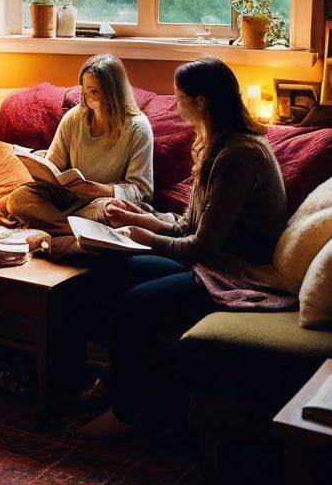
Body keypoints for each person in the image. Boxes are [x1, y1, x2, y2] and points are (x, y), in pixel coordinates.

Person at [80, 56, 287, 437]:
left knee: (138, 301)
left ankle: (128, 412)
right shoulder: (216, 144)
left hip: (233, 269)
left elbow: (202, 247)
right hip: (211, 258)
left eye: (179, 97)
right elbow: (189, 225)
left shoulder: (237, 156)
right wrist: (140, 218)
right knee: (109, 268)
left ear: (201, 102)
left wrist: (148, 239)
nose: (175, 105)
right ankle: (115, 378)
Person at [6, 54, 153, 237]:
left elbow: (142, 191)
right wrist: (42, 170)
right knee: (18, 199)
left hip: (102, 201)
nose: (88, 98)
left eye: (94, 92)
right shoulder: (75, 117)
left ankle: (60, 228)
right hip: (69, 198)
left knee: (113, 210)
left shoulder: (138, 127)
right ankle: (73, 229)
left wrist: (97, 190)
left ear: (114, 93)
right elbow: (54, 164)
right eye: (85, 90)